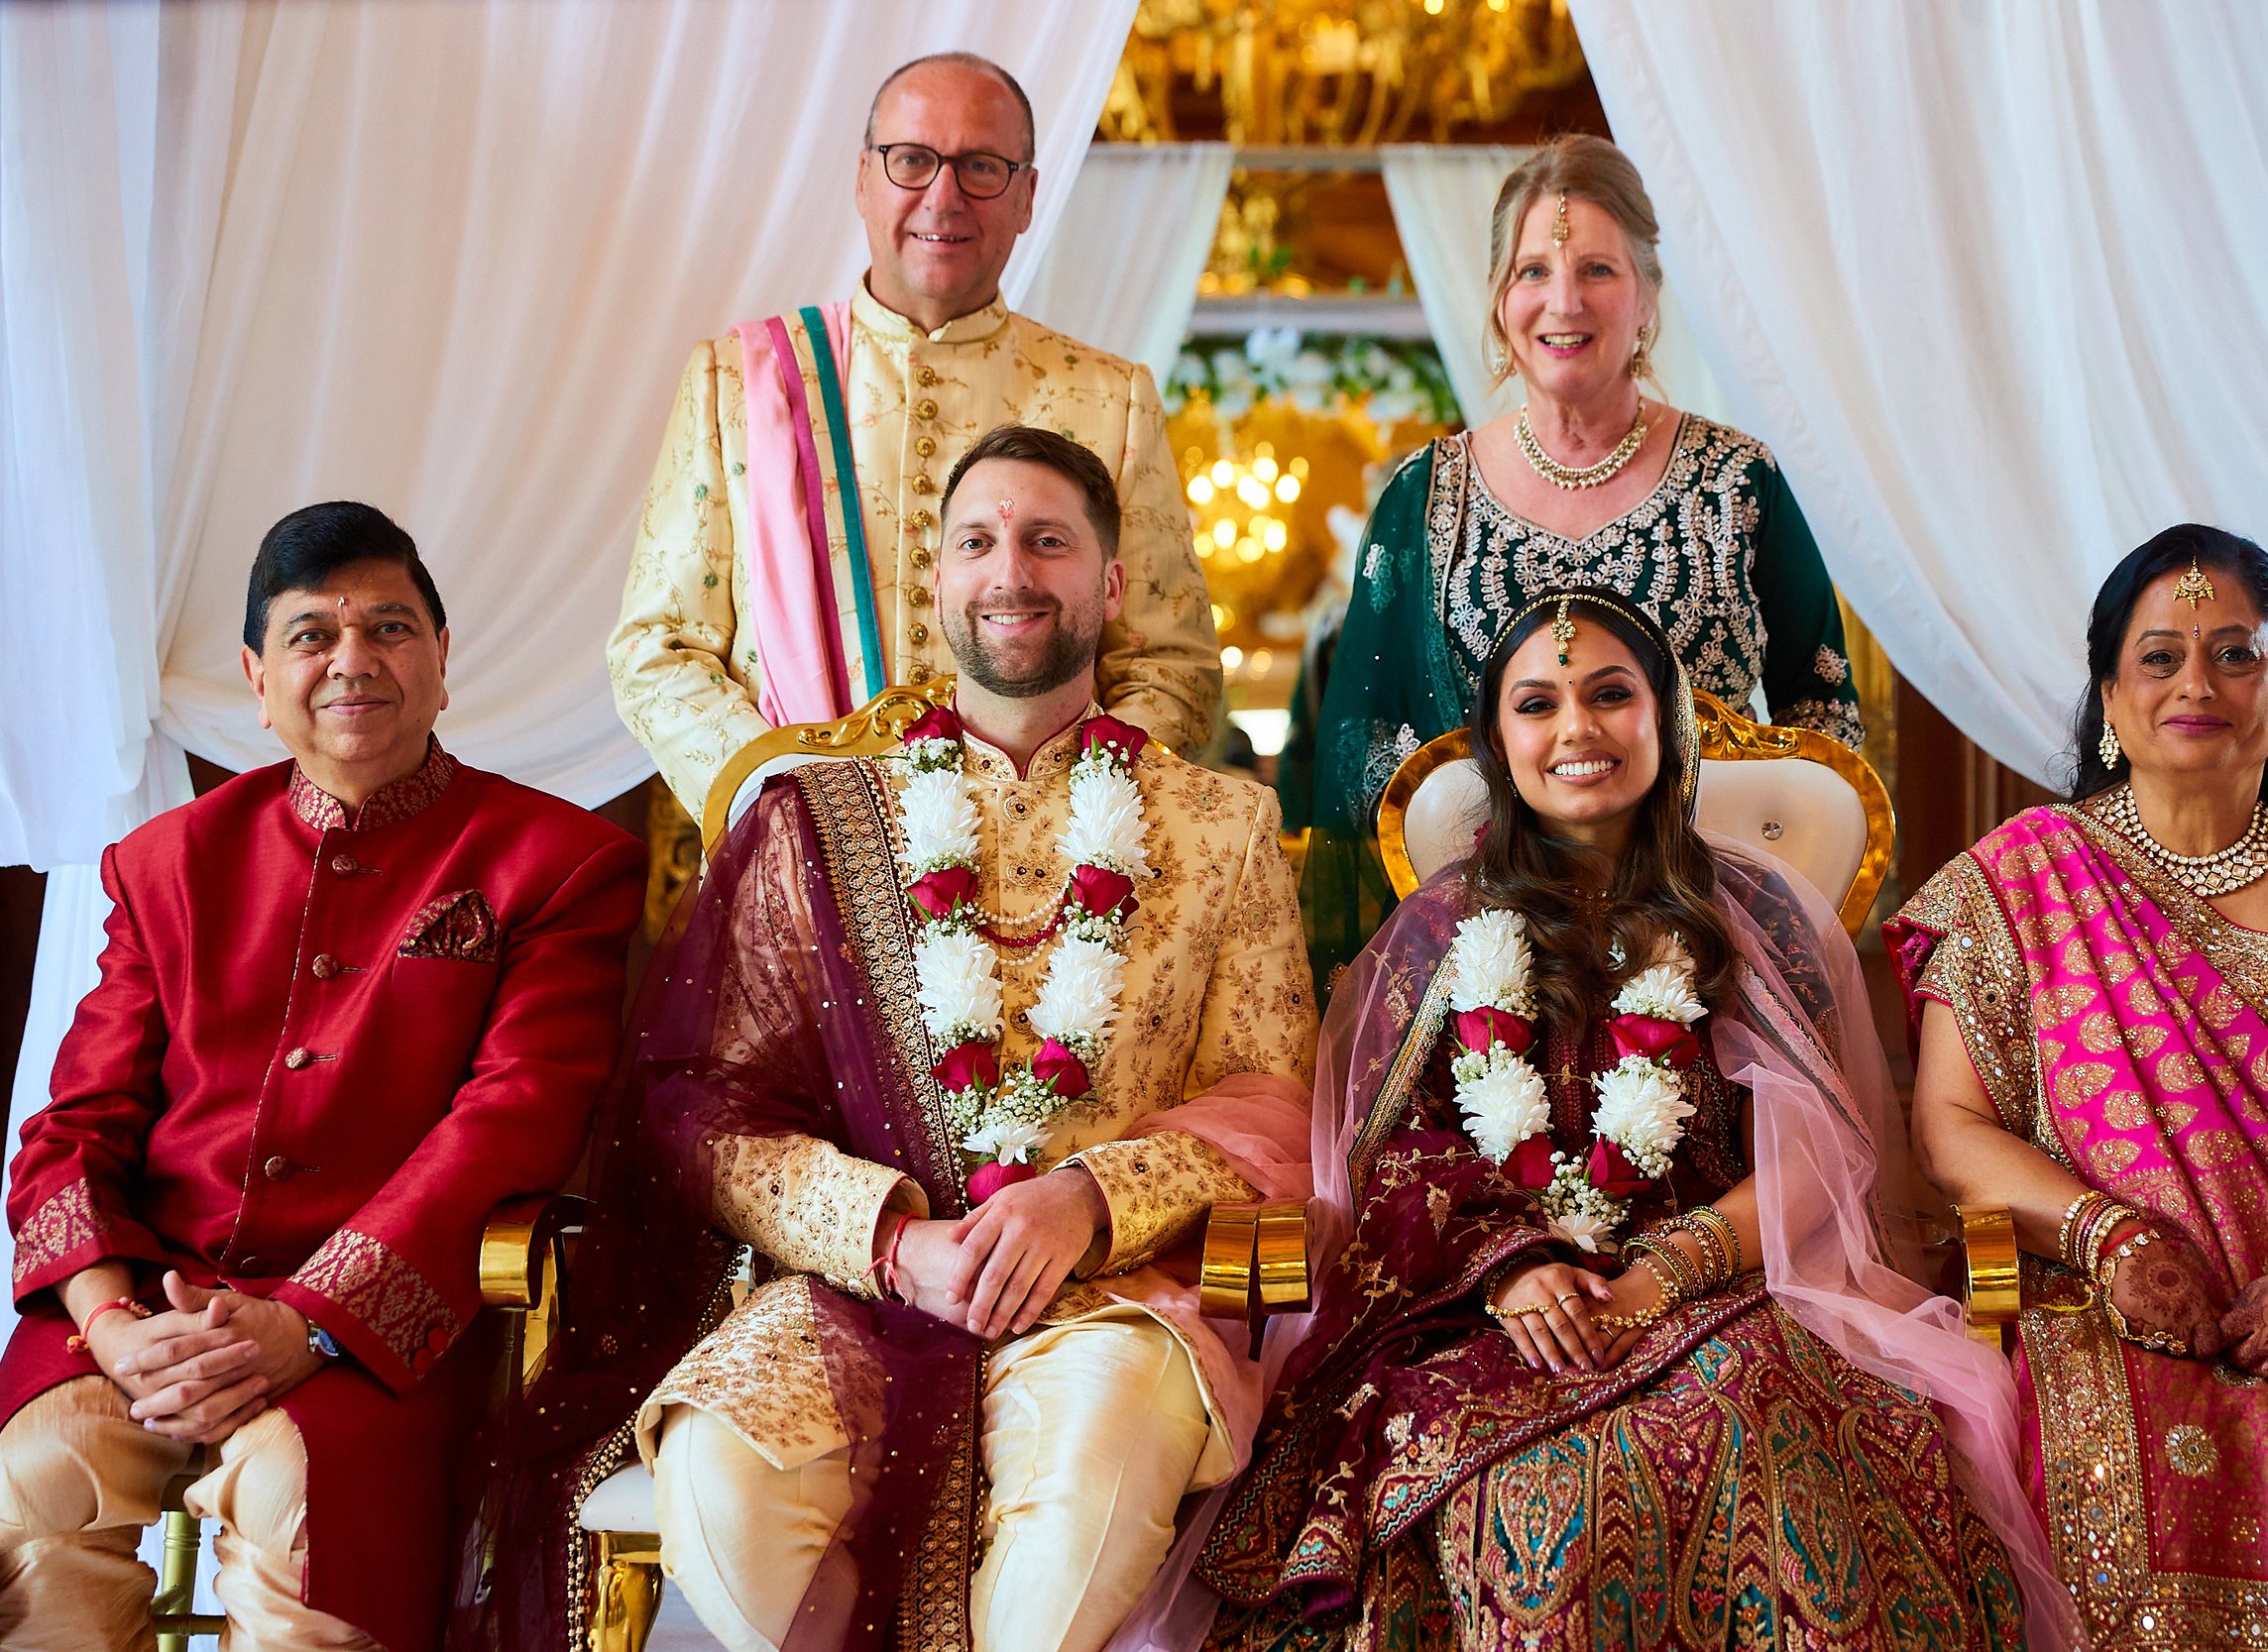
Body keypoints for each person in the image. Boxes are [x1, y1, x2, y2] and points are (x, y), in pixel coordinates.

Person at [1204, 587, 2072, 1651]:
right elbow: (1386, 1158)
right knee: (1522, 1503)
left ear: (1665, 721)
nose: (1575, 729)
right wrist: (1514, 1266)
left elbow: (1820, 1147)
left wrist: (1666, 1270)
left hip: (1724, 1297)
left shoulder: (1747, 915)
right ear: (1497, 739)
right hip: (1479, 1315)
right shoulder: (1439, 928)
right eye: (1537, 703)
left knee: (1746, 1421)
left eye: (1609, 693)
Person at [586, 425, 1313, 1652]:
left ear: (1112, 582)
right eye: (976, 541)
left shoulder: (1219, 823)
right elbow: (704, 1107)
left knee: (1090, 1487)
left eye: (1048, 540)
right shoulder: (811, 817)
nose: (1010, 571)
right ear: (936, 581)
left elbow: (1271, 1096)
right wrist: (887, 1234)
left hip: (1112, 1296)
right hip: (850, 1290)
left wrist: (1086, 1198)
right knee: (715, 1488)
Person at [0, 503, 643, 1650]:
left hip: (371, 1330)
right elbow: (75, 1123)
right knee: (34, 1478)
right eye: (311, 635)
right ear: (257, 676)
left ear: (442, 662)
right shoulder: (166, 862)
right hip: (153, 1300)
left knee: (301, 1507)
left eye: (389, 627)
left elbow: (512, 1120)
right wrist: (109, 1325)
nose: (353, 659)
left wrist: (307, 1322)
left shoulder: (557, 863)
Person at [1890, 524, 2268, 1650]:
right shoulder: (2018, 876)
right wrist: (2109, 1236)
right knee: (2119, 1482)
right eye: (2157, 656)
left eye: (2236, 653)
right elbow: (1949, 1127)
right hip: (2097, 1288)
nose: (2195, 682)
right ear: (2109, 699)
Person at [1282, 134, 1863, 992]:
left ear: (1647, 299)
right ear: (1495, 300)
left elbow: (1823, 725)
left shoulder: (1740, 482)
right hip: (1485, 963)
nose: (1563, 300)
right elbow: (1368, 760)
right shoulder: (1423, 497)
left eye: (1597, 269)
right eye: (1531, 273)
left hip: (1709, 951)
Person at [611, 51, 1219, 826]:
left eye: (982, 167)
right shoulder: (739, 380)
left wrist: (1065, 824)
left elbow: (1170, 664)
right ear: (863, 179)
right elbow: (658, 649)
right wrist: (797, 804)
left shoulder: (1109, 396)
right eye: (912, 161)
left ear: (1028, 195)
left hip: (1043, 886)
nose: (944, 196)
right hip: (794, 860)